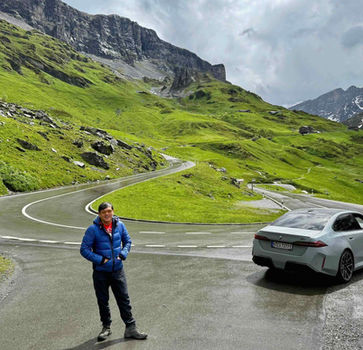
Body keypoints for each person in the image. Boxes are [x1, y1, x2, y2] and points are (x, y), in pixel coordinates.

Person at [80, 201, 147, 341]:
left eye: (109, 211)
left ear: (113, 212)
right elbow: (84, 250)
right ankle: (106, 327)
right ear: (99, 214)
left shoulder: (120, 225)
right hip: (100, 272)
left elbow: (128, 241)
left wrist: (123, 254)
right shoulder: (93, 230)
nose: (107, 214)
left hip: (117, 270)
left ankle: (131, 328)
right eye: (104, 212)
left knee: (124, 299)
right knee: (103, 300)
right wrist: (100, 260)